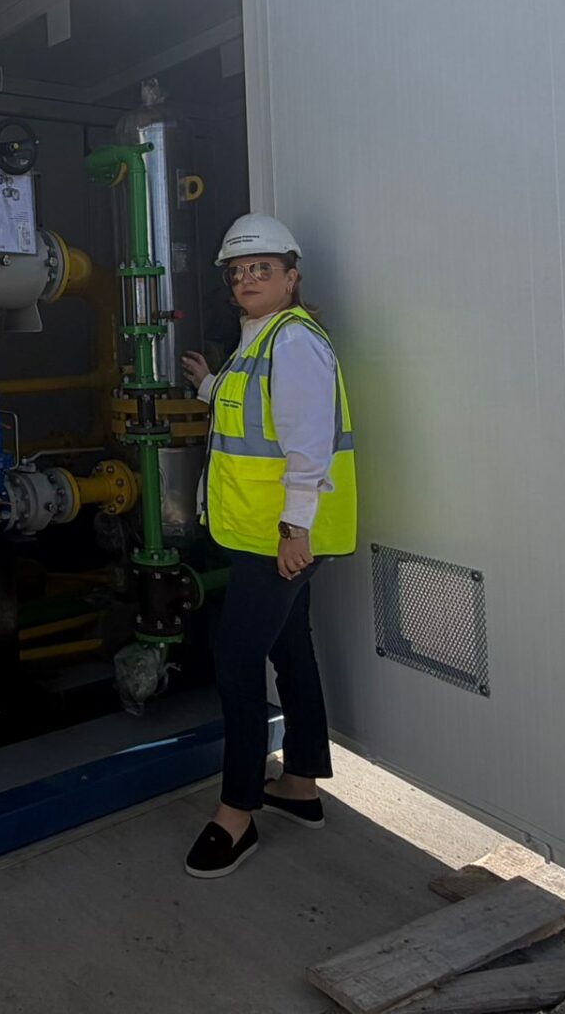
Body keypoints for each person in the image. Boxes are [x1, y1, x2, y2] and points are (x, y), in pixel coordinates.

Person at [179, 214, 357, 879]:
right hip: (267, 534)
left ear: (291, 276)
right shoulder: (260, 341)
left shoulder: (294, 341)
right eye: (238, 272)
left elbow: (308, 445)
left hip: (279, 540)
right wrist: (209, 385)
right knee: (290, 648)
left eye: (261, 269)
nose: (247, 279)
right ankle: (301, 784)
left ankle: (237, 813)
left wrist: (293, 531)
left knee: (235, 662)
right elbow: (254, 414)